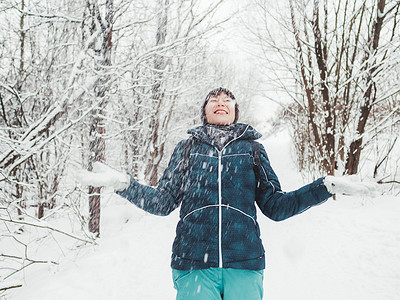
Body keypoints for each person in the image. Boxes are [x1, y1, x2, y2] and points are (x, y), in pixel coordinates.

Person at [78, 87, 378, 300]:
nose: (220, 101)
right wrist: (124, 184)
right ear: (205, 111)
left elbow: (276, 205)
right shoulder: (187, 148)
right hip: (194, 263)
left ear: (235, 111)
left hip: (244, 263)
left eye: (227, 100)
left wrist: (324, 187)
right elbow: (163, 201)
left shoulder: (252, 149)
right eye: (213, 99)